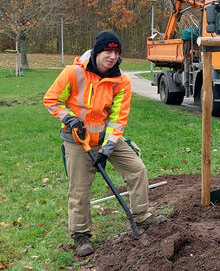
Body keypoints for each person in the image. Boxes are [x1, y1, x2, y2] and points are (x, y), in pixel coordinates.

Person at [43, 30, 165, 257]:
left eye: (116, 51)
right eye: (108, 51)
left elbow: (118, 119)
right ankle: (81, 235)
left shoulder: (121, 81)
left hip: (107, 140)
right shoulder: (73, 73)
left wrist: (107, 149)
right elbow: (51, 100)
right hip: (78, 141)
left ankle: (141, 216)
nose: (112, 56)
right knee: (79, 189)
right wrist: (69, 118)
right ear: (98, 51)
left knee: (137, 170)